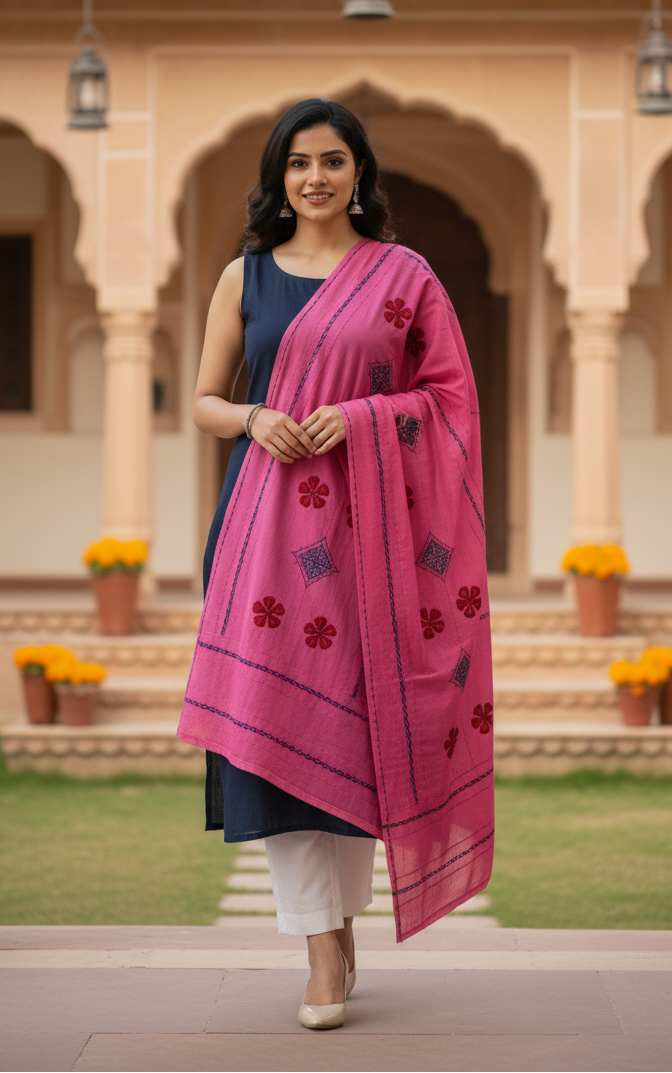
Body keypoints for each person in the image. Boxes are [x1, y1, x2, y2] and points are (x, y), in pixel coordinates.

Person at [179, 98, 494, 1030]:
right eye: (298, 163)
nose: (314, 177)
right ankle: (320, 948)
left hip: (372, 543)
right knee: (275, 734)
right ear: (278, 177)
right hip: (264, 536)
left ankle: (339, 926)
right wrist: (254, 417)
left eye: (332, 160)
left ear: (360, 173)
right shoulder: (244, 276)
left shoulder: (404, 277)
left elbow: (451, 399)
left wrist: (361, 417)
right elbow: (204, 399)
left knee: (357, 732)